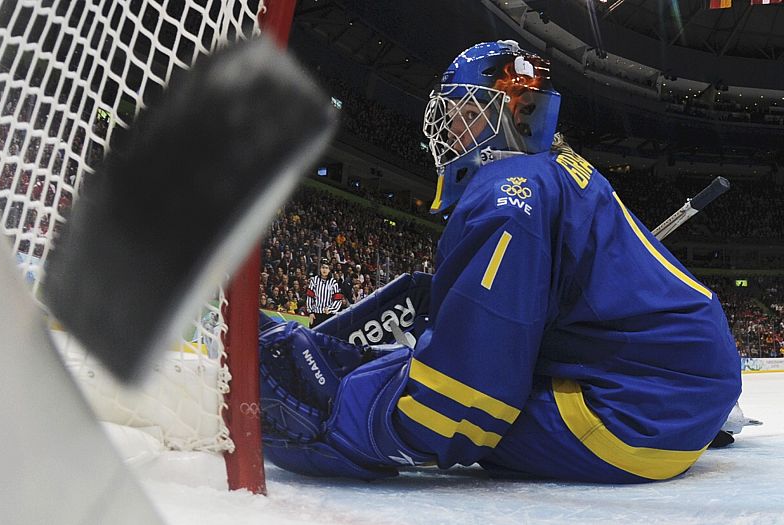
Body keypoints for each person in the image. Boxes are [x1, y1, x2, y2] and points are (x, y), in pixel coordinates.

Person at [259, 40, 741, 483]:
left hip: (636, 416)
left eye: (462, 112)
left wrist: (351, 424)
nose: (448, 129)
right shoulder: (554, 170)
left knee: (425, 402)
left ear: (504, 116)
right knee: (427, 318)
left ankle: (337, 384)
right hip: (677, 392)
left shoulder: (507, 195)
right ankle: (341, 360)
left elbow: (466, 400)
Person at [305, 258, 343, 327]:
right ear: (320, 269)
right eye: (323, 267)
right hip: (316, 314)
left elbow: (338, 300)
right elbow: (310, 297)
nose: (324, 270)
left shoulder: (333, 282)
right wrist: (310, 312)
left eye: (326, 268)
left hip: (328, 315)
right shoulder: (314, 280)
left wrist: (331, 309)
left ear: (329, 270)